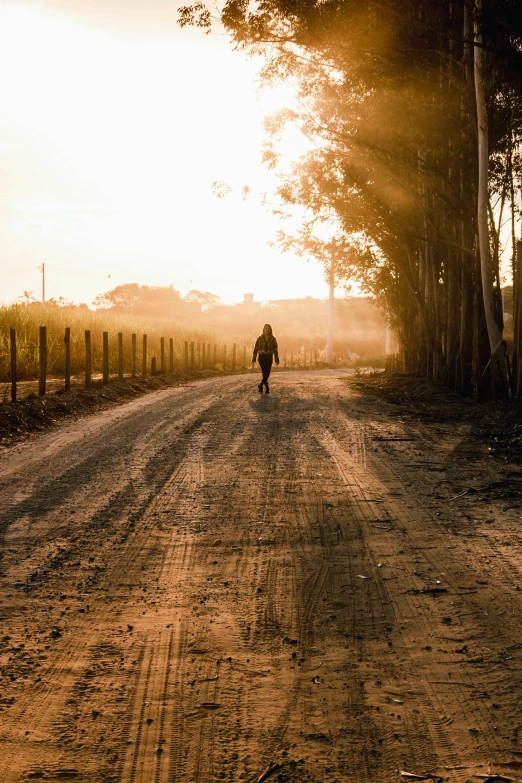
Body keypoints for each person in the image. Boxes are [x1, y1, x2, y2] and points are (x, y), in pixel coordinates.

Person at [252, 324, 279, 394]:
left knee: (268, 373)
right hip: (261, 357)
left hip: (269, 357)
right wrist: (254, 358)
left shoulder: (273, 339)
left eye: (268, 328)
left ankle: (260, 385)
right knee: (264, 372)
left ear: (270, 330)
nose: (267, 330)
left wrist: (276, 359)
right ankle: (267, 387)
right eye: (265, 328)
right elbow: (256, 348)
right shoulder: (259, 338)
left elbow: (275, 349)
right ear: (263, 329)